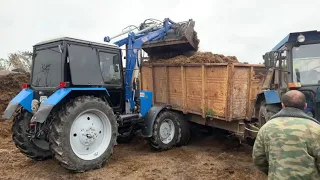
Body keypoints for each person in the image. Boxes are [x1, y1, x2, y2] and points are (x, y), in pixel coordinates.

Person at [252, 90, 320, 179]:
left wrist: (275, 173)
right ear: (305, 106)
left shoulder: (266, 128)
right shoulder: (316, 129)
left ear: (282, 105)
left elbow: (259, 158)